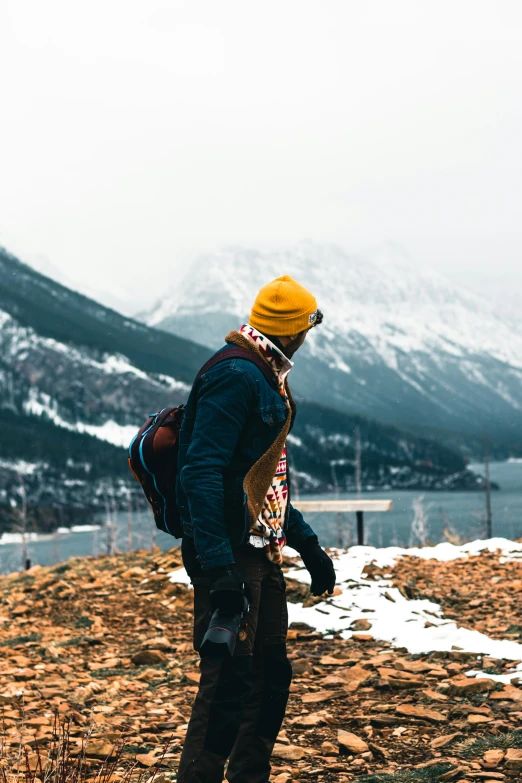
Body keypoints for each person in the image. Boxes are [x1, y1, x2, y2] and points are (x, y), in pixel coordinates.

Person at [176, 275, 336, 783]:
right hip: (230, 554)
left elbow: (263, 483)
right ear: (292, 332)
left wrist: (308, 547)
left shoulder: (268, 375)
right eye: (307, 326)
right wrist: (219, 567)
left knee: (269, 679)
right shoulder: (236, 376)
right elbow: (199, 471)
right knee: (227, 683)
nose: (309, 336)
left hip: (262, 550)